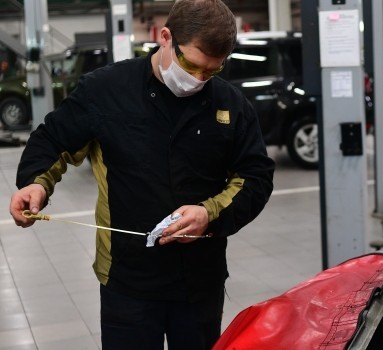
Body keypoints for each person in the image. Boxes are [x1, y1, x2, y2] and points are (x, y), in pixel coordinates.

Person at [8, 0, 275, 349]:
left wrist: (208, 214)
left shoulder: (230, 105)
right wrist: (35, 184)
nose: (197, 80)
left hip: (198, 281)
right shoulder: (106, 90)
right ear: (166, 37)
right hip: (126, 279)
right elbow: (53, 140)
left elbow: (256, 176)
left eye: (210, 72)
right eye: (190, 65)